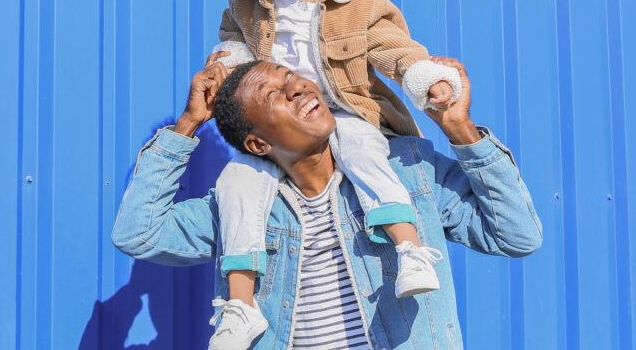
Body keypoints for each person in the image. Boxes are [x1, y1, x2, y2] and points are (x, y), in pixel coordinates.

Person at [202, 0, 461, 347]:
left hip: (344, 115)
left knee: (364, 149)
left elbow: (394, 50)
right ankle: (241, 307)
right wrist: (221, 69)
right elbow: (233, 48)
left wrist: (427, 79)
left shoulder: (359, 4)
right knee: (237, 181)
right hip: (283, 127)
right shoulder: (244, 4)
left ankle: (408, 250)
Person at [112, 53, 541, 349]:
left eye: (290, 76)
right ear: (258, 143)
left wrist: (460, 130)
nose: (298, 87)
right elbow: (138, 233)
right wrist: (187, 125)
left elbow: (516, 236)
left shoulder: (406, 171)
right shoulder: (241, 205)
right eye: (274, 94)